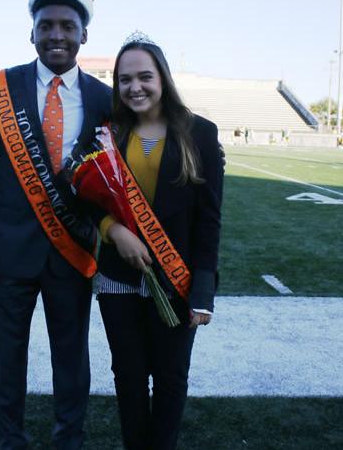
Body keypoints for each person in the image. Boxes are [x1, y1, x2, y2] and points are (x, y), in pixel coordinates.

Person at [0, 0, 112, 450]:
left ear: (84, 33)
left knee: (72, 358)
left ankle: (70, 439)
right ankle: (12, 440)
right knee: (8, 357)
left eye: (67, 26)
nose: (56, 35)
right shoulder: (0, 88)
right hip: (5, 254)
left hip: (73, 252)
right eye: (46, 25)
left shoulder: (106, 99)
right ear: (32, 32)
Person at [94, 32, 223, 450]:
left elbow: (209, 219)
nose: (135, 87)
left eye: (144, 77)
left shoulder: (200, 132)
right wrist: (113, 231)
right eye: (125, 79)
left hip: (177, 279)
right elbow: (82, 196)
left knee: (170, 379)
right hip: (117, 277)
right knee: (128, 378)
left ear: (163, 78)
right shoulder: (106, 132)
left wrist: (202, 292)